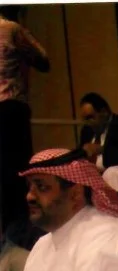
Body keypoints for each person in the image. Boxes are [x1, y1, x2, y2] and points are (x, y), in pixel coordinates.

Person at [0, 4, 49, 233]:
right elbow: (43, 60)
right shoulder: (12, 29)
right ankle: (20, 231)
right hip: (10, 108)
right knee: (17, 172)